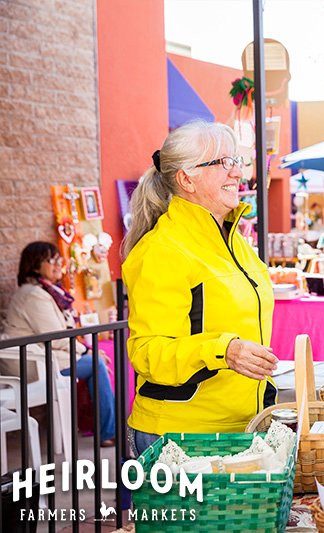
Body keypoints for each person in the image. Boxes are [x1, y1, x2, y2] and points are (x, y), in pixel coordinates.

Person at [122, 121, 279, 457]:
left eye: (236, 160)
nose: (237, 172)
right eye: (222, 162)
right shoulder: (162, 249)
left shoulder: (236, 242)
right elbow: (148, 353)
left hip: (239, 430)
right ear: (186, 179)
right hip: (180, 438)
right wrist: (224, 351)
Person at [2, 241, 116, 446]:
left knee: (95, 361)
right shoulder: (34, 295)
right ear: (35, 266)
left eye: (58, 259)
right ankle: (108, 432)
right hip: (31, 365)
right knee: (96, 364)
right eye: (51, 260)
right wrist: (87, 352)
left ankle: (107, 429)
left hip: (42, 357)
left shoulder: (45, 291)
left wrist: (86, 352)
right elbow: (58, 338)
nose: (57, 265)